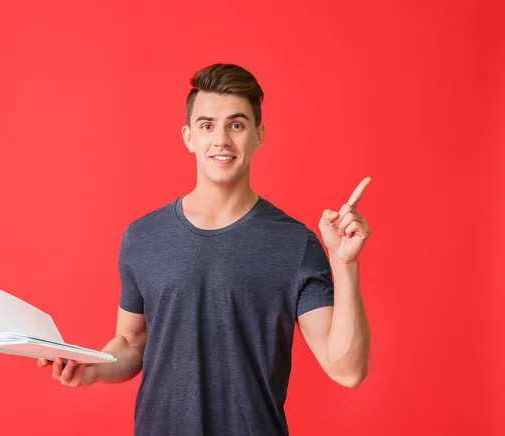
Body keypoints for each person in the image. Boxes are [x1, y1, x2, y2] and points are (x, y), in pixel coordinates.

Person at [38, 63, 372, 435]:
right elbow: (131, 343)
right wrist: (93, 368)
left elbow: (347, 369)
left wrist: (345, 264)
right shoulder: (143, 237)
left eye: (237, 125)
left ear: (258, 135)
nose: (222, 140)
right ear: (188, 137)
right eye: (207, 125)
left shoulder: (295, 244)